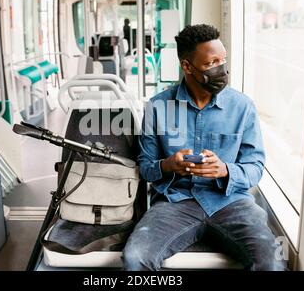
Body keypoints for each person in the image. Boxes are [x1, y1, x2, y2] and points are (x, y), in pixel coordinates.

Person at [122, 24, 286, 271]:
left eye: (224, 60)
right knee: (135, 257)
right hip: (175, 202)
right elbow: (145, 167)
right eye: (212, 63)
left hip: (231, 202)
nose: (222, 69)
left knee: (271, 262)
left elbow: (255, 167)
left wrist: (225, 171)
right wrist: (169, 165)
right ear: (187, 66)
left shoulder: (242, 107)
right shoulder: (157, 108)